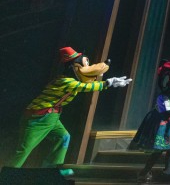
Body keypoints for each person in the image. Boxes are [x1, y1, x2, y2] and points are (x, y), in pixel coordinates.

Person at [6, 47, 131, 177]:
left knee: (63, 137)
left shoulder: (70, 80)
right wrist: (107, 83)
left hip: (51, 116)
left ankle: (51, 171)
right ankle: (7, 175)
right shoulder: (65, 81)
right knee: (24, 149)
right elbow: (84, 87)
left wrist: (109, 82)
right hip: (39, 118)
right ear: (73, 68)